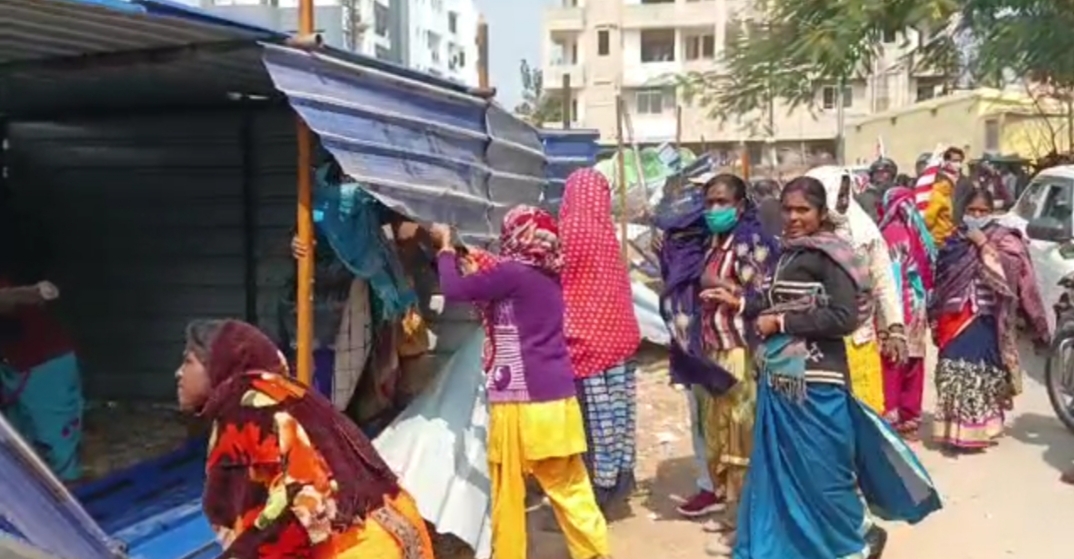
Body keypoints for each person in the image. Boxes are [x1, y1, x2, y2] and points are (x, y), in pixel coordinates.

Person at [732, 176, 941, 559]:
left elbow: (843, 317)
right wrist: (742, 304)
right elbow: (775, 301)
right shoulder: (787, 253)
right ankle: (793, 542)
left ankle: (857, 539)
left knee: (823, 468)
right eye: (788, 209)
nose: (794, 217)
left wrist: (781, 323)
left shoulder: (831, 256)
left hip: (817, 380)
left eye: (803, 210)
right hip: (780, 378)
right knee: (785, 469)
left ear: (821, 212)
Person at [430, 207, 610, 559]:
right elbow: (494, 280)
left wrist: (445, 250)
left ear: (516, 236)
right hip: (555, 401)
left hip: (519, 403)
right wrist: (469, 257)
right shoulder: (547, 275)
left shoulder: (512, 274)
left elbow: (454, 289)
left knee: (508, 491)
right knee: (570, 488)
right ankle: (595, 552)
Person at [176, 319, 435, 558]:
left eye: (188, 362)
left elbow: (303, 505)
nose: (179, 373)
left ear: (218, 364)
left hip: (358, 548)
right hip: (399, 532)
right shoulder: (285, 392)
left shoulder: (245, 411)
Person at [682, 173, 779, 554]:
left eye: (722, 202)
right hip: (712, 349)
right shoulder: (712, 243)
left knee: (742, 438)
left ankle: (747, 526)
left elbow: (767, 294)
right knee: (718, 435)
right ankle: (733, 512)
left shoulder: (751, 243)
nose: (714, 209)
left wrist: (732, 296)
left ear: (740, 206)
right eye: (709, 202)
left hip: (739, 349)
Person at [929, 188, 1050, 451]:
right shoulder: (954, 239)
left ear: (992, 212)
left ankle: (978, 430)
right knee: (951, 370)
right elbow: (941, 278)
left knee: (980, 372)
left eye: (982, 211)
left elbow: (1012, 275)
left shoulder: (1004, 239)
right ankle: (951, 430)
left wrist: (983, 244)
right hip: (953, 315)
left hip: (986, 316)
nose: (976, 215)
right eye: (971, 210)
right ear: (963, 211)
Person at [559, 169, 642, 514]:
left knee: (589, 425)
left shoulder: (569, 230)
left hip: (585, 344)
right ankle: (617, 483)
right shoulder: (607, 233)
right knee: (617, 419)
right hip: (619, 341)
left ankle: (592, 501)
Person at [806, 166, 906, 414]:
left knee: (863, 412)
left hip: (857, 338)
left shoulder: (865, 233)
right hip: (813, 341)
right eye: (837, 195)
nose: (843, 202)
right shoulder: (800, 237)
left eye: (845, 195)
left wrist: (895, 329)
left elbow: (884, 283)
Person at [0, 199, 83, 483]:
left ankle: (70, 506)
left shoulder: (16, 254)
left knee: (56, 456)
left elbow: (8, 303)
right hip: (13, 365)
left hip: (44, 364)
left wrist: (31, 293)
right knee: (18, 455)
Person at [877, 187, 936, 439]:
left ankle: (891, 416)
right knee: (913, 362)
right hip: (918, 307)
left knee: (892, 361)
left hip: (897, 307)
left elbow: (889, 278)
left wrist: (891, 319)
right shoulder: (920, 235)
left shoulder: (889, 234)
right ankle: (910, 417)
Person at [924, 147, 968, 246]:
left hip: (950, 233)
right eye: (955, 160)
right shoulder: (937, 192)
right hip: (937, 239)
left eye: (960, 161)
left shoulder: (966, 183)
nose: (958, 164)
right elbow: (928, 220)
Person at [857, 157, 898, 222]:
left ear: (892, 175)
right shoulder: (865, 197)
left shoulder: (899, 194)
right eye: (877, 172)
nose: (880, 175)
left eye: (884, 172)